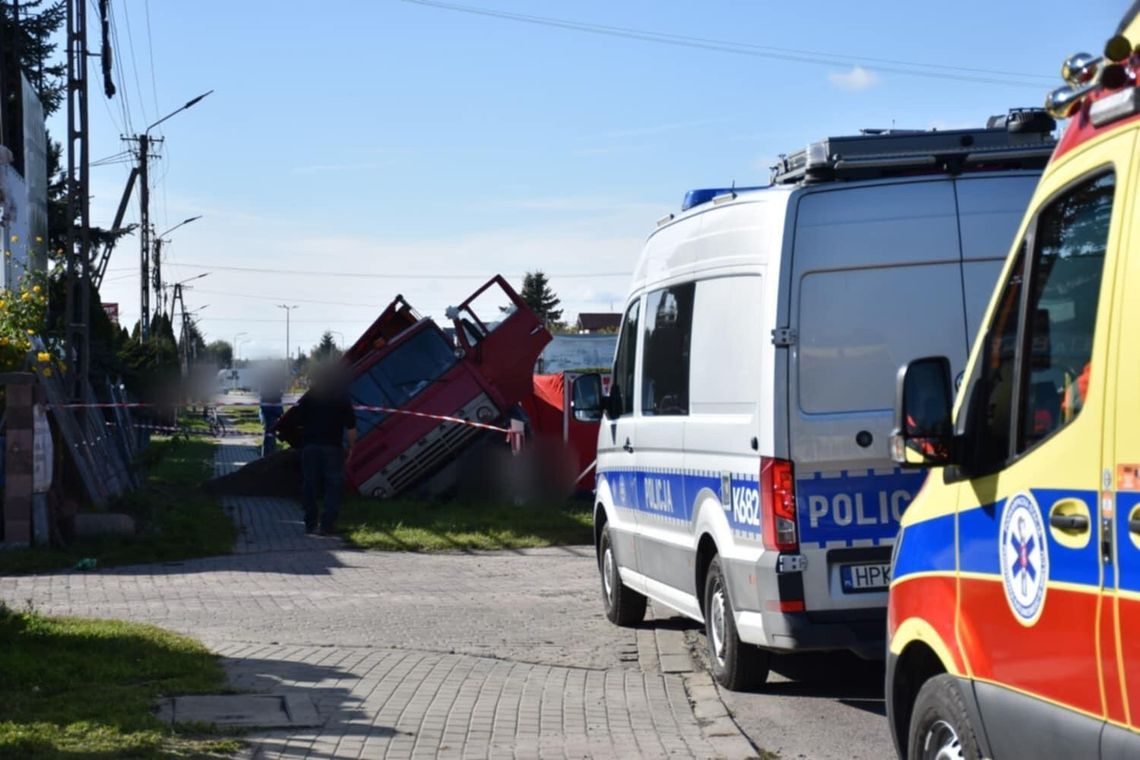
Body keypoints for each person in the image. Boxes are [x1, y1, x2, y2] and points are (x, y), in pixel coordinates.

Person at [296, 364, 357, 535]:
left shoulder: (308, 398)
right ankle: (327, 525)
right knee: (333, 486)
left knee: (309, 485)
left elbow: (297, 423)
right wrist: (352, 448)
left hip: (310, 447)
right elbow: (351, 427)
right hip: (333, 447)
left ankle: (310, 523)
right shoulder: (341, 397)